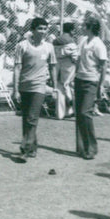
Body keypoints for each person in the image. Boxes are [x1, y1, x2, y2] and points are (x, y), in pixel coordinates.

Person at [13, 17, 57, 159]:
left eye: (45, 29)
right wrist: (15, 89)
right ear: (32, 30)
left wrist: (55, 88)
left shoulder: (49, 47)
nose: (42, 31)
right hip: (25, 85)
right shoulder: (22, 46)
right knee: (26, 118)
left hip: (39, 86)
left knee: (32, 118)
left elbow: (53, 67)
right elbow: (17, 68)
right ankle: (32, 149)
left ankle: (25, 150)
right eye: (39, 28)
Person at [74, 15, 107, 160]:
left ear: (90, 28)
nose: (82, 28)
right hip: (79, 79)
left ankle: (91, 148)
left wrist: (101, 85)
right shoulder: (83, 41)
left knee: (85, 113)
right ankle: (82, 147)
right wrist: (73, 76)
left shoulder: (98, 44)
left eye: (84, 26)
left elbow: (103, 66)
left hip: (91, 81)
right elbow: (79, 60)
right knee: (79, 115)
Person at [53, 21, 78, 119]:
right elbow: (75, 57)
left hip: (57, 63)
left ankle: (60, 113)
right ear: (72, 30)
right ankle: (72, 108)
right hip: (69, 65)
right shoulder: (71, 41)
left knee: (59, 87)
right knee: (69, 85)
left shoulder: (56, 40)